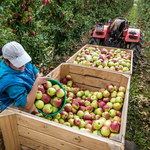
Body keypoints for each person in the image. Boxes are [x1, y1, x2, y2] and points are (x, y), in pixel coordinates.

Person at [0, 41, 50, 112]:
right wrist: (36, 84)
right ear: (6, 61)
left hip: (31, 94)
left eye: (23, 61)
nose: (23, 65)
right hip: (14, 106)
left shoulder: (18, 64)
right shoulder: (9, 81)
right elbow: (27, 105)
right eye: (18, 63)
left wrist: (37, 75)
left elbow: (31, 67)